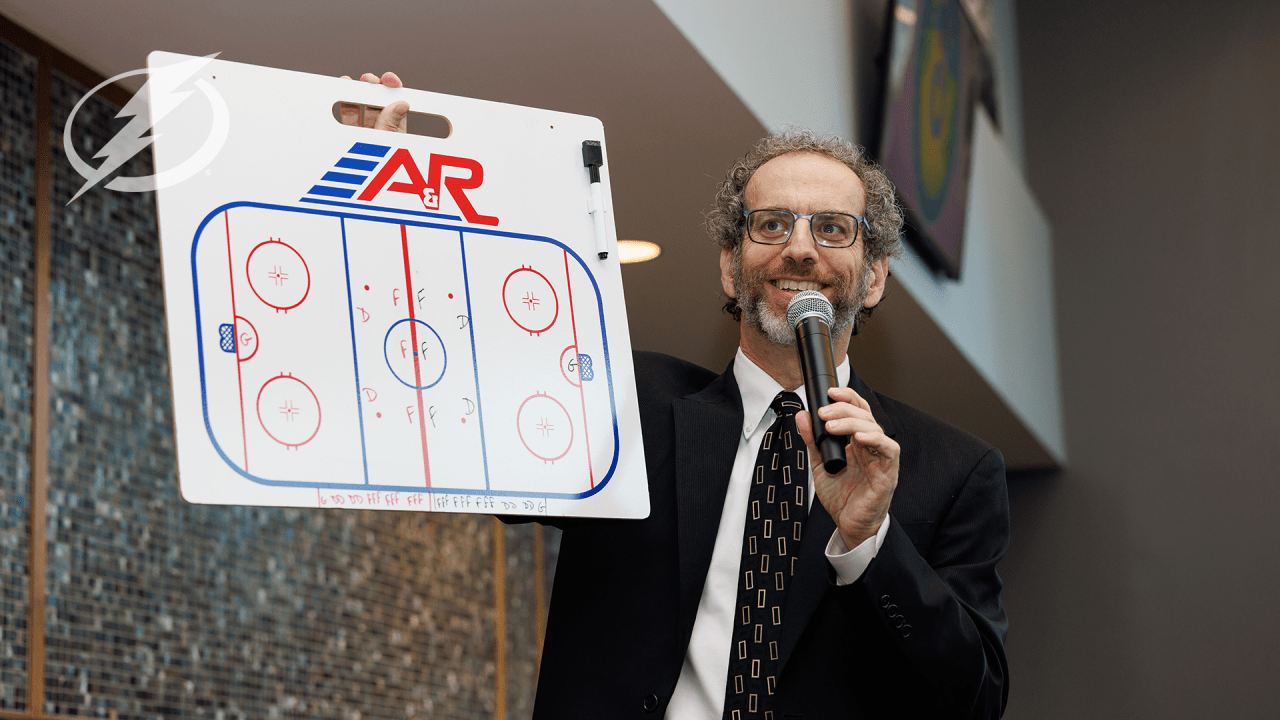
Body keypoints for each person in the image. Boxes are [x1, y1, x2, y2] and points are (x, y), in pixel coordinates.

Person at [347, 72, 1010, 719]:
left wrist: (869, 540)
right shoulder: (622, 401)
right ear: (729, 265)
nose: (800, 249)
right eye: (771, 224)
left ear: (875, 277)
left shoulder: (953, 471)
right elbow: (454, 408)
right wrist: (379, 197)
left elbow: (976, 697)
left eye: (834, 228)